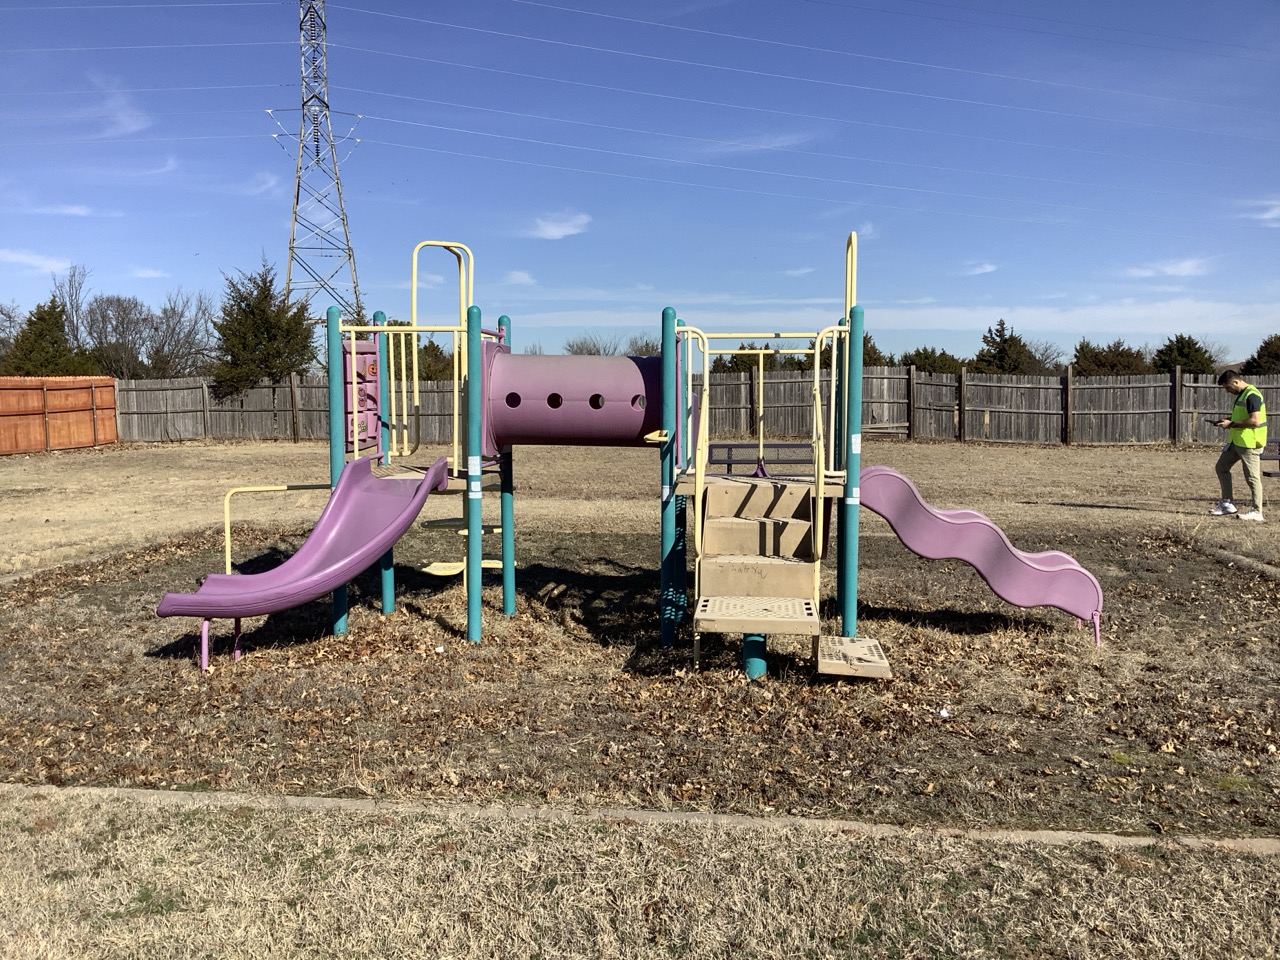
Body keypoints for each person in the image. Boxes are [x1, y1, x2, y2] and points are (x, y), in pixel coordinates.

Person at [1210, 369, 1268, 522]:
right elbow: (1241, 417)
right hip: (1237, 441)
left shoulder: (1252, 395)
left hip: (1250, 443)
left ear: (1236, 382)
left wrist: (1231, 424)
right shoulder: (1242, 395)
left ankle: (1257, 511)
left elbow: (1255, 421)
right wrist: (1228, 421)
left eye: (1228, 387)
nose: (1228, 391)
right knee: (1221, 467)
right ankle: (1227, 504)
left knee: (1252, 477)